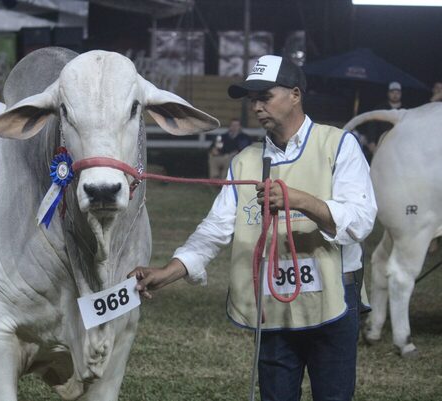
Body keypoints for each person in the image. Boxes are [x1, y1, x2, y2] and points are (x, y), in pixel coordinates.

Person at [129, 55, 377, 401]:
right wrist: (169, 272)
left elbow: (361, 221)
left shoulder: (338, 144)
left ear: (295, 94)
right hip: (271, 303)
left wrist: (300, 200)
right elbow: (216, 227)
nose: (257, 107)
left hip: (335, 298)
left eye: (265, 96)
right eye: (252, 100)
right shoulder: (245, 159)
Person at [362, 81, 403, 161]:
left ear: (401, 94)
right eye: (392, 92)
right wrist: (371, 141)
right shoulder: (380, 108)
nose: (395, 95)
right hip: (380, 145)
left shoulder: (404, 110)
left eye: (397, 93)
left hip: (399, 147)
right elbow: (372, 125)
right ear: (388, 93)